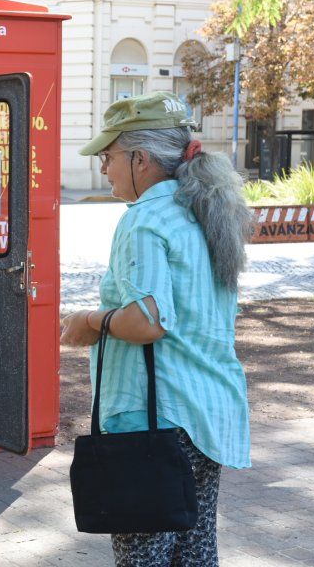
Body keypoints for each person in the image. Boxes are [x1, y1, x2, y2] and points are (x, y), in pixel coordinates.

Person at [60, 91, 252, 566]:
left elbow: (148, 322)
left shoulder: (145, 219)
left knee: (143, 557)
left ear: (139, 159)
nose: (104, 168)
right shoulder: (203, 211)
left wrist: (90, 321)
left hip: (155, 417)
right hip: (208, 412)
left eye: (108, 156)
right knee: (194, 551)